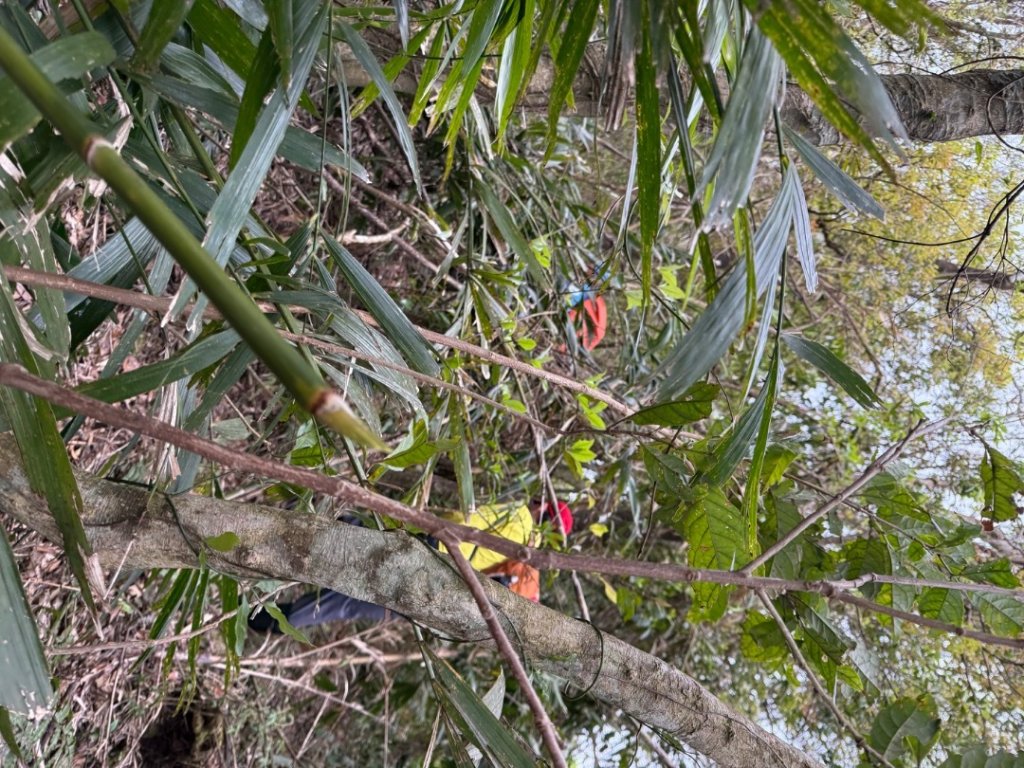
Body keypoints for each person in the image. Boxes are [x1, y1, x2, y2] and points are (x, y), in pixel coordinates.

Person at [249, 500, 573, 632]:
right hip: (441, 596)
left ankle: (301, 520)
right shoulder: (529, 560)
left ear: (543, 505)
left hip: (434, 565)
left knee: (357, 550)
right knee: (349, 601)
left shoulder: (518, 519)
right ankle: (279, 620)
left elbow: (467, 522)